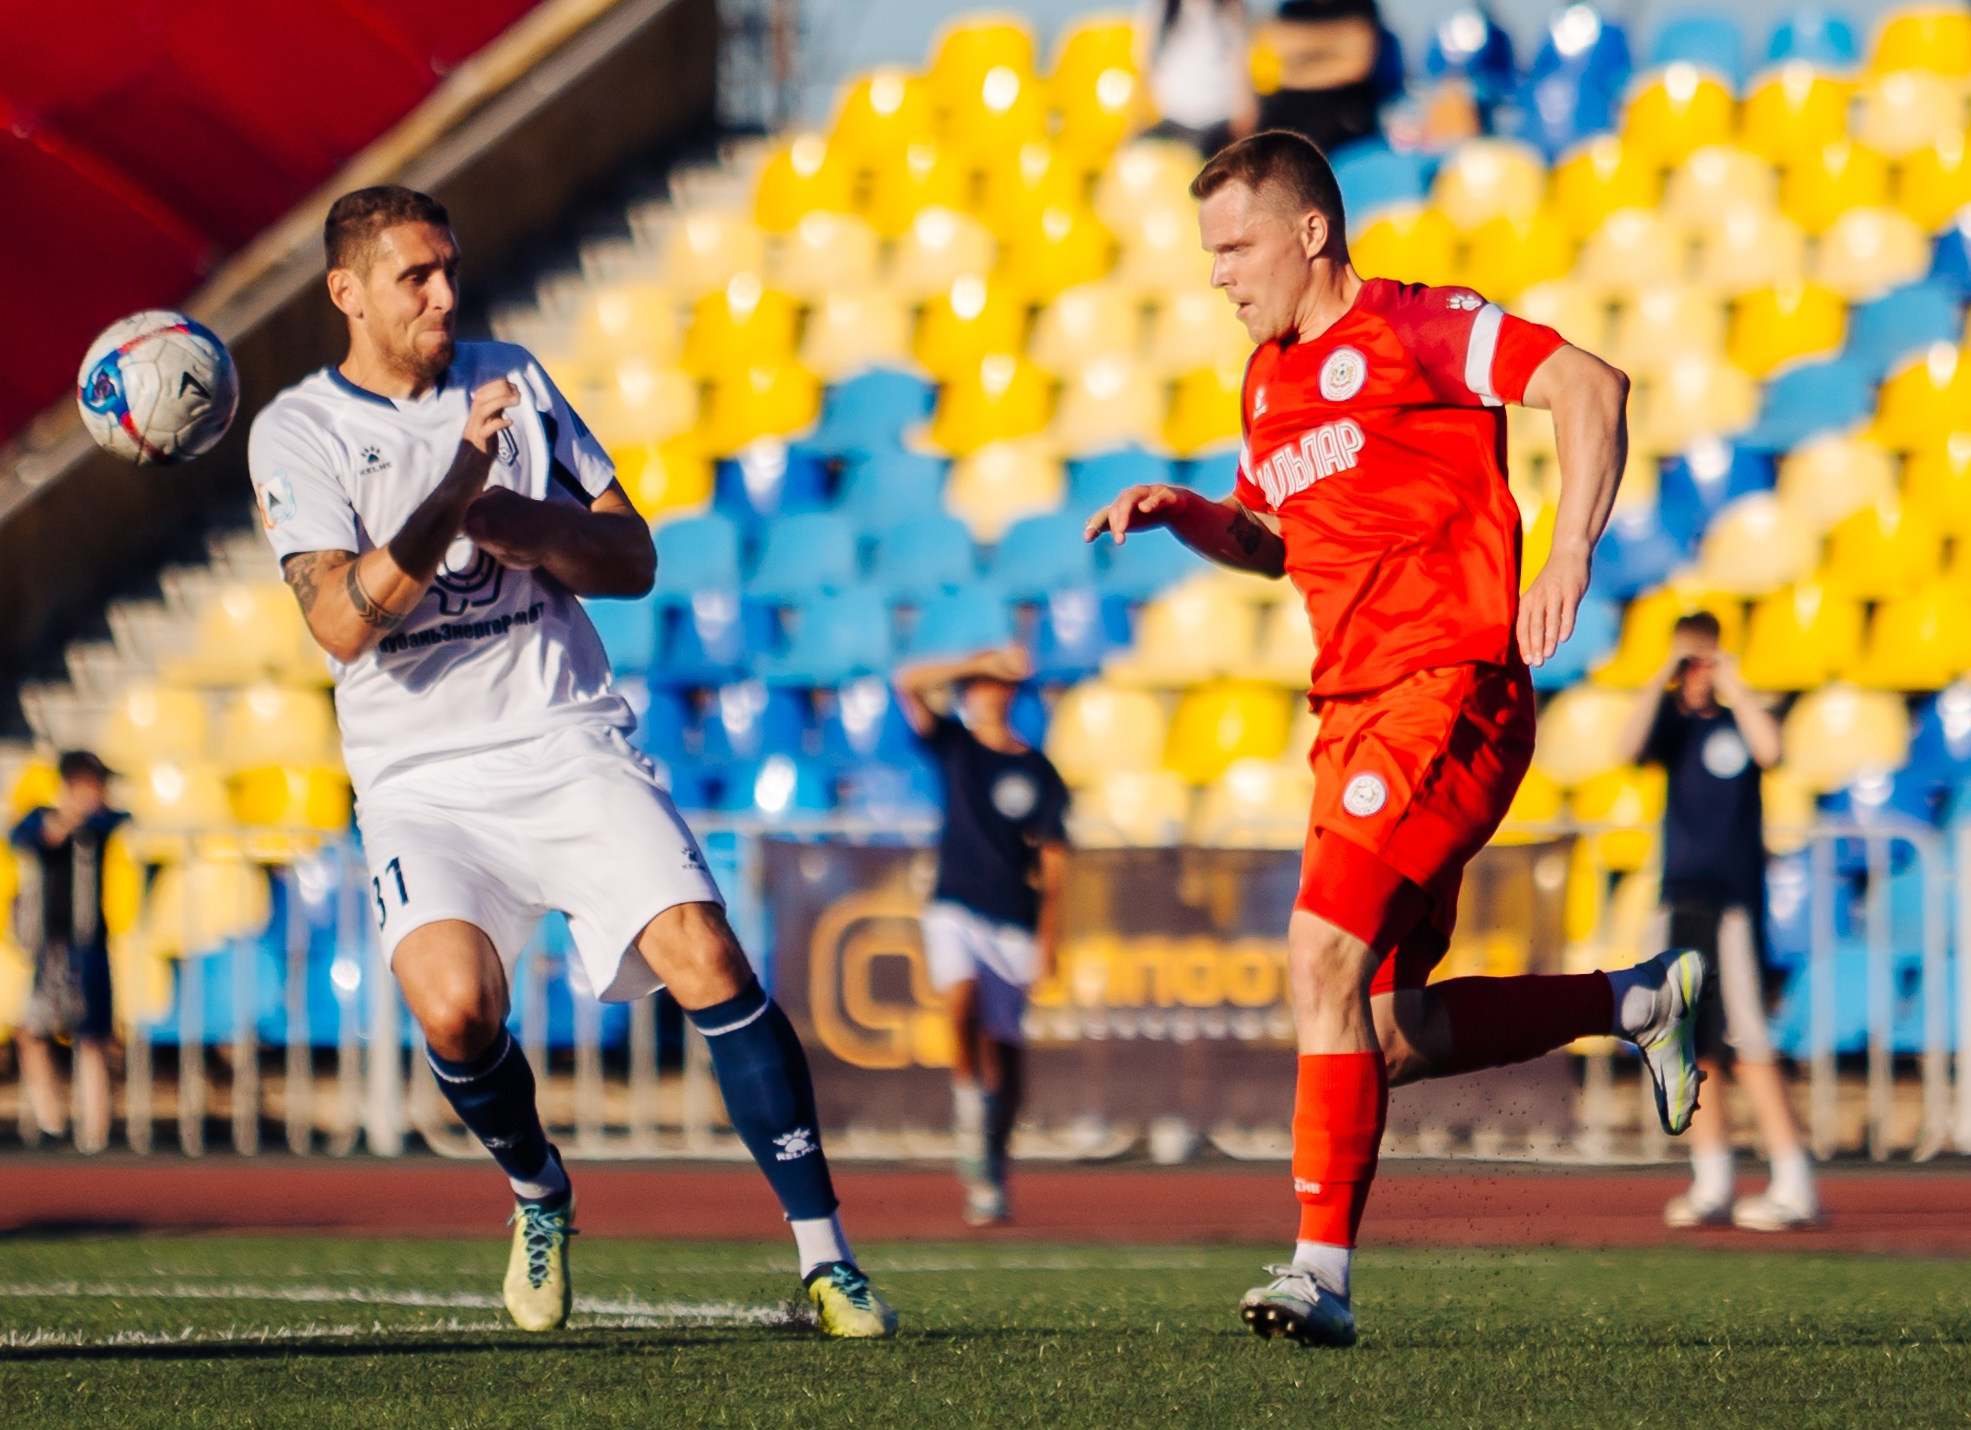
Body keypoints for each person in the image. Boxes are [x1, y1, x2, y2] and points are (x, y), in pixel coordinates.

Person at [1083, 131, 1702, 1348]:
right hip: (1351, 715)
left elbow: (1590, 386)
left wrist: (1568, 546)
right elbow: (1276, 540)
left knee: (1316, 955)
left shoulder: (1420, 326)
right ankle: (1633, 1003)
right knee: (1370, 1031)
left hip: (1447, 691)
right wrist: (1189, 514)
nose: (1216, 273)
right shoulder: (1266, 382)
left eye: (1233, 244)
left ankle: (1320, 1276)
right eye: (1206, 251)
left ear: (1310, 231)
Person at [247, 185, 893, 1338]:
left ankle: (826, 1258)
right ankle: (539, 1190)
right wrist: (455, 490)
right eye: (415, 277)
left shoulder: (516, 379)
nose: (445, 294)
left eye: (448, 268)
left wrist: (523, 525)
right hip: (419, 779)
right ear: (346, 293)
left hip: (564, 733)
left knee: (704, 952)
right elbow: (342, 624)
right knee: (453, 1013)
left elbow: (633, 555)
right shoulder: (298, 432)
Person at [1619, 613, 1823, 1232]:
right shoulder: (1673, 729)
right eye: (1692, 662)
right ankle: (1713, 1178)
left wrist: (1734, 684)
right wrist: (1663, 675)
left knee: (1748, 1041)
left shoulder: (1740, 721)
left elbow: (1772, 750)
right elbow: (1624, 748)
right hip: (1679, 901)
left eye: (1705, 660)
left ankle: (1794, 1181)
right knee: (1689, 1043)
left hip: (1731, 904)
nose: (1698, 674)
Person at [893, 644, 1070, 1227]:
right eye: (980, 685)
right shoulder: (956, 746)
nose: (988, 693)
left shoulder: (1035, 768)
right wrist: (975, 659)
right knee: (959, 998)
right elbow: (909, 680)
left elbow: (1053, 860)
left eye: (998, 685)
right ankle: (968, 1103)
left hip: (1014, 919)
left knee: (1008, 1056)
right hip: (955, 907)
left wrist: (1049, 939)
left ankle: (992, 1162)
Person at [10, 750, 125, 1154]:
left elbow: (116, 820)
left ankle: (95, 1132)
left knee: (92, 1036)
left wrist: (75, 820)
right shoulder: (41, 816)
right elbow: (24, 836)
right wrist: (61, 820)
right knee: (33, 1031)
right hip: (51, 946)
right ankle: (51, 1122)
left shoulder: (102, 822)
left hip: (89, 944)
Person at [1252, 0, 1398, 155]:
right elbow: (1271, 44)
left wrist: (1295, 63)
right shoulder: (1291, 8)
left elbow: (1356, 65)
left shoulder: (1361, 6)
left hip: (1343, 131)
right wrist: (1339, 41)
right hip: (1287, 127)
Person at [1136, 0, 1256, 157]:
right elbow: (1144, 66)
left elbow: (1239, 66)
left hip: (1217, 123)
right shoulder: (1159, 6)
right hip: (1172, 120)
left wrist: (1245, 122)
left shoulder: (1231, 7)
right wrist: (1136, 123)